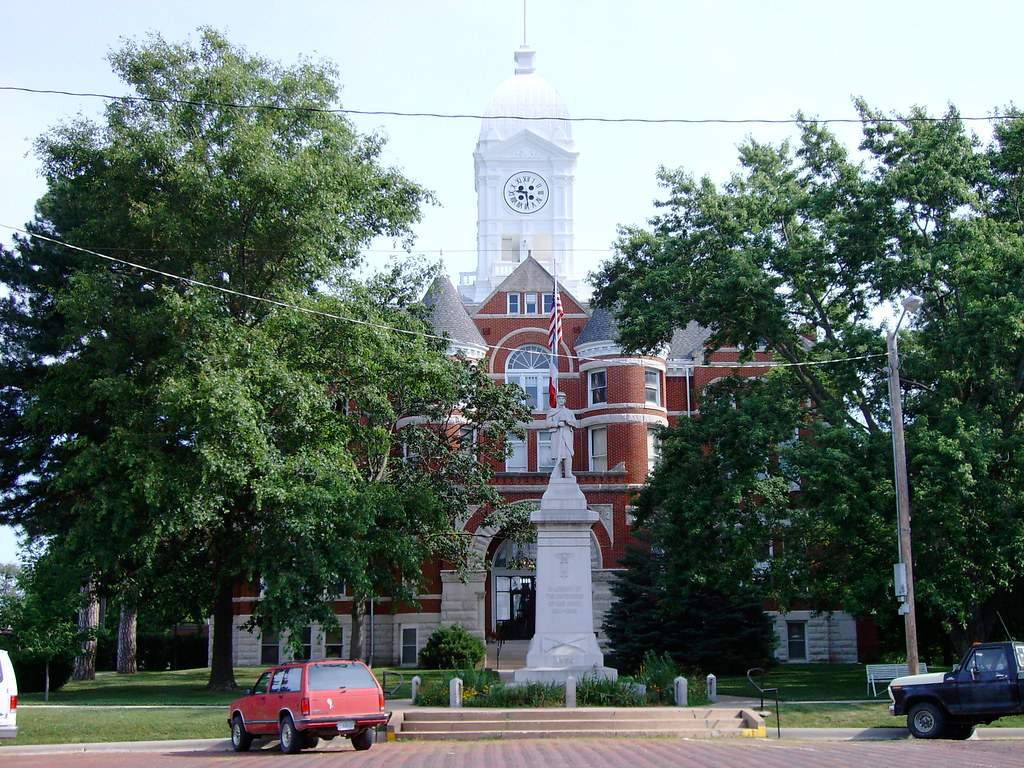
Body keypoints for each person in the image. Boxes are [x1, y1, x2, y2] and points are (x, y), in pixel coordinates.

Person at [546, 391, 579, 478]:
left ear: (565, 401)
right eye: (559, 398)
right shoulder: (552, 411)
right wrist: (557, 424)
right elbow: (547, 424)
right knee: (558, 455)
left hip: (567, 435)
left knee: (568, 454)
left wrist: (567, 420)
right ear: (556, 400)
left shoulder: (569, 412)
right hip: (557, 436)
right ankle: (558, 474)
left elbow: (576, 424)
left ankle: (568, 473)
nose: (561, 400)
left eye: (563, 399)